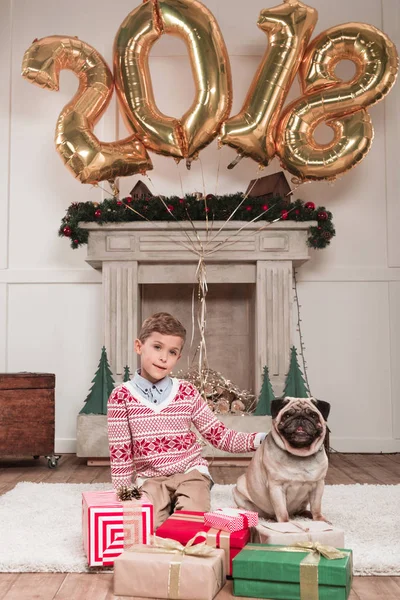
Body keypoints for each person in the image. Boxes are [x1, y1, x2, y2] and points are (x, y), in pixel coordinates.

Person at [107, 312, 266, 528]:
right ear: (139, 346)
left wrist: (261, 440)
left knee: (191, 520)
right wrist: (123, 494)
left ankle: (185, 508)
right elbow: (121, 453)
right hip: (151, 480)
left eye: (172, 352)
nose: (164, 357)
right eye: (157, 347)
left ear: (178, 357)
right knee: (147, 527)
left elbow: (219, 435)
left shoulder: (187, 392)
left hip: (191, 472)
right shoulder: (121, 396)